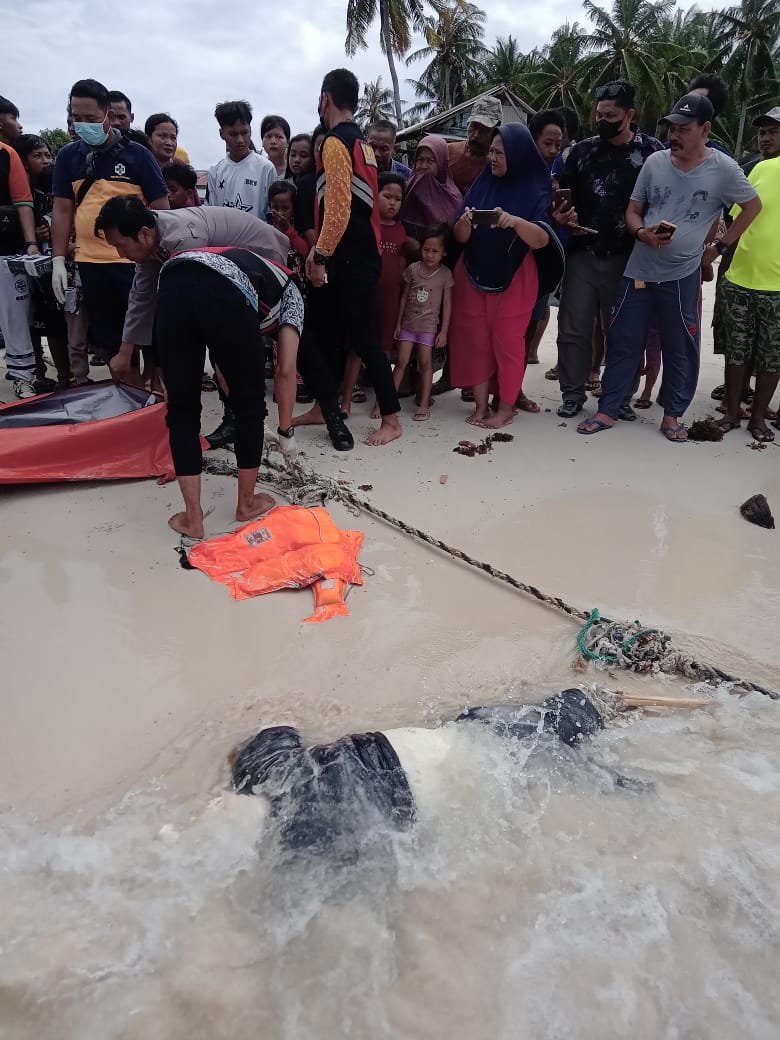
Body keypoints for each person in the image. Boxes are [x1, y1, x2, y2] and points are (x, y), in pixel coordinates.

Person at [93, 197, 353, 452]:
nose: (120, 254)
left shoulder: (184, 238)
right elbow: (141, 296)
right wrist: (125, 352)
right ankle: (235, 420)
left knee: (299, 348)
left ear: (144, 234)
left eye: (120, 245)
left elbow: (193, 305)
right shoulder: (150, 243)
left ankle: (332, 416)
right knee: (220, 344)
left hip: (268, 260)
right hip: (230, 277)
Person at [578, 93, 761, 443]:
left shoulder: (724, 170)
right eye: (672, 127)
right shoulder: (656, 162)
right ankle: (608, 409)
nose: (674, 135)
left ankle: (673, 414)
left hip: (682, 276)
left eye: (683, 128)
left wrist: (718, 248)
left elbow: (752, 207)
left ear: (705, 129)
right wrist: (642, 232)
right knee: (624, 340)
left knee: (680, 347)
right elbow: (633, 210)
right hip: (639, 269)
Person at [300, 68, 401, 447]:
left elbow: (339, 209)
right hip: (353, 255)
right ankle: (324, 407)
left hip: (349, 258)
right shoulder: (363, 144)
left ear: (325, 98)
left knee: (362, 337)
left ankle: (391, 418)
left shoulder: (334, 143)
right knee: (325, 333)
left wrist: (319, 254)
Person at [554, 80, 663, 419]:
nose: (603, 120)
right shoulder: (580, 152)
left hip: (629, 259)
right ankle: (572, 394)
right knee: (573, 327)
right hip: (582, 254)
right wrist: (562, 214)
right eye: (599, 114)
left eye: (611, 115)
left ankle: (621, 396)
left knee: (624, 331)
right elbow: (559, 196)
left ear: (630, 114)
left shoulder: (653, 153)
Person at [50, 78, 169, 377]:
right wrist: (58, 259)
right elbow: (63, 209)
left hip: (135, 264)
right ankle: (129, 400)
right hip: (92, 264)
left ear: (107, 116)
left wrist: (159, 256)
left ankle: (157, 395)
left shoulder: (137, 155)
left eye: (90, 119)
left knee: (153, 338)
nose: (83, 125)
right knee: (112, 342)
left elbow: (161, 208)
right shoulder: (68, 157)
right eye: (77, 118)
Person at [449, 123, 563, 429]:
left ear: (516, 154)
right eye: (491, 152)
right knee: (477, 341)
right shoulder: (482, 183)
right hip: (473, 272)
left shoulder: (536, 186)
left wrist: (514, 222)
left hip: (515, 276)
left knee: (507, 342)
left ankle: (506, 407)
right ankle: (481, 405)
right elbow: (459, 238)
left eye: (500, 153)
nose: (492, 159)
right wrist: (465, 223)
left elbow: (542, 239)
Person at [713, 153, 780, 442]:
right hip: (740, 277)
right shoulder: (762, 168)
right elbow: (740, 219)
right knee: (736, 351)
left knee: (772, 357)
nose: (766, 137)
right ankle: (730, 413)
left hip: (777, 287)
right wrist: (723, 269)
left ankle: (758, 418)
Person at [12, 134, 71, 388]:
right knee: (30, 321)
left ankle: (64, 377)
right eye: (38, 156)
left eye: (48, 154)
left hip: (53, 266)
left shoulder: (56, 186)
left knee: (56, 323)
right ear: (22, 162)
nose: (46, 160)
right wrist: (31, 235)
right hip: (23, 265)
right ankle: (37, 373)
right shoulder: (16, 193)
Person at [393, 224, 453, 421]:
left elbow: (447, 304)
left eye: (435, 251)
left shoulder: (445, 275)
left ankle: (424, 404)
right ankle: (387, 403)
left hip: (428, 329)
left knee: (425, 365)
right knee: (400, 362)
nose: (429, 254)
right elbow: (403, 298)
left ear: (444, 253)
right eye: (426, 249)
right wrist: (399, 323)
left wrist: (443, 332)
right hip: (408, 327)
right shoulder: (413, 269)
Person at [0, 134, 44, 397]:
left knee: (14, 317)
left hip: (6, 249)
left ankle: (22, 377)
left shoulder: (6, 153)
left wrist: (30, 243)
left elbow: (23, 202)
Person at [267, 178, 313, 420]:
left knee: (297, 335)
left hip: (299, 287)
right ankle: (281, 382)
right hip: (276, 288)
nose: (280, 212)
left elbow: (307, 252)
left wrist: (289, 231)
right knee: (278, 337)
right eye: (276, 206)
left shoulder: (299, 227)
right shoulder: (265, 225)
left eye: (285, 207)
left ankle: (299, 382)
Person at [525, 109, 566, 369]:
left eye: (558, 145)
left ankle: (513, 389)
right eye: (547, 143)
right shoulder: (519, 177)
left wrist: (561, 221)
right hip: (516, 264)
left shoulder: (551, 183)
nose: (552, 150)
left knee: (531, 325)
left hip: (542, 267)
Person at [206, 100, 276, 220]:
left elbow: (273, 214)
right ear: (221, 134)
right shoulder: (215, 171)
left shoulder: (266, 168)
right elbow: (211, 214)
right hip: (223, 238)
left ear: (250, 130)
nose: (240, 140)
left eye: (244, 133)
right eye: (233, 134)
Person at [400, 135, 462, 239]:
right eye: (420, 160)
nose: (424, 166)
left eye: (430, 161)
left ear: (441, 163)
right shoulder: (405, 189)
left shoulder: (453, 198)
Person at [447, 96, 502, 195]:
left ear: (496, 131)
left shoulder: (499, 164)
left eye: (484, 130)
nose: (476, 135)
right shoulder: (448, 152)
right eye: (473, 127)